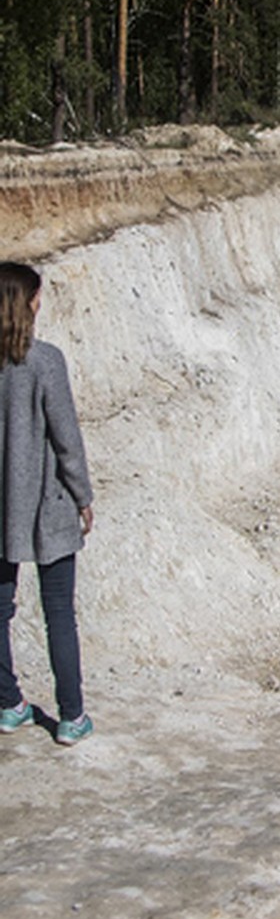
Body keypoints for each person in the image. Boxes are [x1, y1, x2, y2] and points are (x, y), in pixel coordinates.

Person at [0, 262, 95, 746]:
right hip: (46, 502)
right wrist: (84, 496)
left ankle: (9, 703)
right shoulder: (46, 362)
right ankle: (71, 717)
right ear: (30, 303)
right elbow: (66, 441)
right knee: (59, 609)